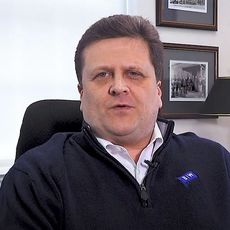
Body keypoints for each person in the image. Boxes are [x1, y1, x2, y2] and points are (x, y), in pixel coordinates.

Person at [0, 14, 230, 230]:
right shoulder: (34, 179)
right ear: (82, 95)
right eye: (102, 75)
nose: (118, 86)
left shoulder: (217, 162)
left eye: (134, 73)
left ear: (158, 92)